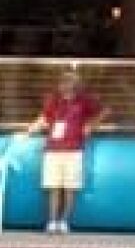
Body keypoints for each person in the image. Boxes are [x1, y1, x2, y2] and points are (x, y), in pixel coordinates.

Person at [23, 69, 107, 234]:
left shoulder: (84, 100)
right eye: (64, 82)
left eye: (71, 83)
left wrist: (91, 125)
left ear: (76, 85)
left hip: (74, 150)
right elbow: (44, 118)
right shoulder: (53, 100)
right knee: (53, 186)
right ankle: (52, 221)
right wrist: (28, 132)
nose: (66, 86)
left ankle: (64, 221)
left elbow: (104, 111)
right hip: (53, 149)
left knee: (70, 188)